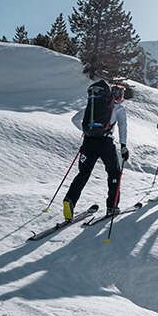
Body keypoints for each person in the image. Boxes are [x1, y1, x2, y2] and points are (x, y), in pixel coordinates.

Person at [63, 81, 129, 219]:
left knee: (83, 173)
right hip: (106, 143)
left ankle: (70, 200)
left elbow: (75, 119)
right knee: (114, 173)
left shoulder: (93, 104)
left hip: (88, 142)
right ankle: (112, 206)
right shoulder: (119, 109)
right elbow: (123, 127)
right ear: (120, 96)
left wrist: (88, 131)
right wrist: (123, 146)